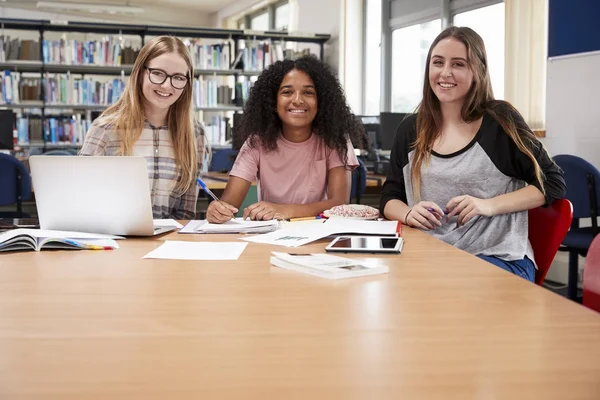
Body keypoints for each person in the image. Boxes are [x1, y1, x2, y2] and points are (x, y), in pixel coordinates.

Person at [380, 26, 566, 281]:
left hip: (498, 259)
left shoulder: (501, 122)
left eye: (458, 64)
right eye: (438, 62)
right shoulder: (411, 129)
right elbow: (390, 197)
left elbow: (552, 183)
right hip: (432, 257)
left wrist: (486, 205)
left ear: (477, 71)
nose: (445, 73)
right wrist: (409, 213)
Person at [207, 55, 366, 223]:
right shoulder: (256, 143)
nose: (297, 100)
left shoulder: (335, 140)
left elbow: (339, 204)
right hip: (271, 236)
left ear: (321, 101)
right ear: (273, 102)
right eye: (287, 92)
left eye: (308, 92)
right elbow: (228, 205)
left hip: (320, 234)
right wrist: (218, 211)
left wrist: (284, 210)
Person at [79, 36, 207, 220]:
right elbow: (82, 198)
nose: (166, 85)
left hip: (169, 243)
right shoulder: (105, 129)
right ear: (140, 72)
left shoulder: (195, 135)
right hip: (115, 239)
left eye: (178, 77)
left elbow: (185, 213)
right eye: (158, 73)